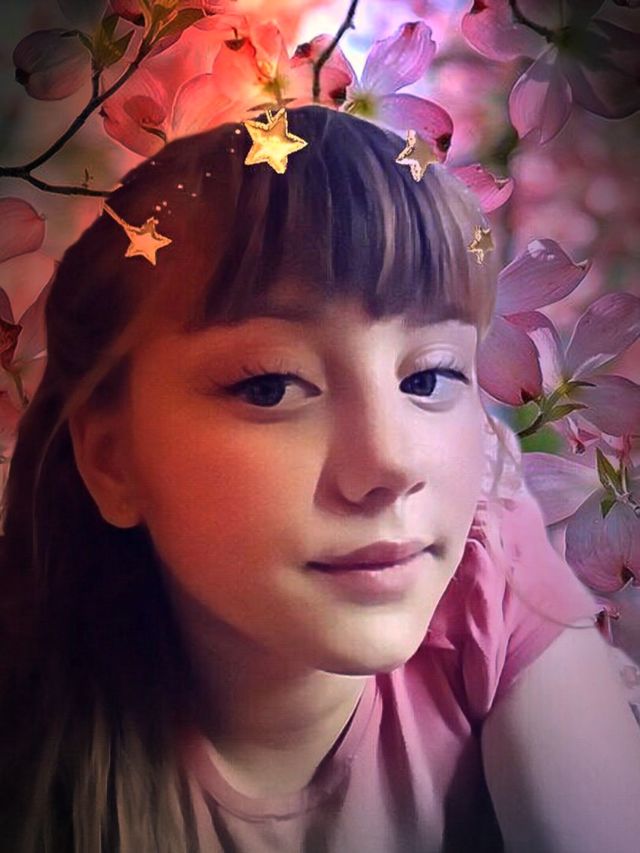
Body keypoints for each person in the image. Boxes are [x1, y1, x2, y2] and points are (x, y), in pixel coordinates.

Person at [0, 105, 639, 853]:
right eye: (270, 386)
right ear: (113, 459)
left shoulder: (492, 571)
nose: (390, 465)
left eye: (431, 377)